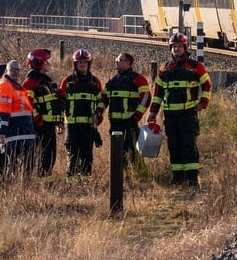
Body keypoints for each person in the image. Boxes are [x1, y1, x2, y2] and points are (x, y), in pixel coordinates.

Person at [147, 33, 211, 187]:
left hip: (188, 113)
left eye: (179, 46)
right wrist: (153, 111)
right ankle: (177, 177)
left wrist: (203, 103)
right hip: (170, 115)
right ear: (170, 48)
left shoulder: (196, 67)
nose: (176, 49)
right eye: (174, 46)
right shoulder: (164, 68)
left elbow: (207, 85)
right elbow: (158, 93)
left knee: (189, 145)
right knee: (174, 146)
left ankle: (192, 179)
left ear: (185, 48)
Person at [57, 48, 105, 178]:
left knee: (87, 157)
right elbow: (60, 103)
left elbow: (101, 102)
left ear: (89, 64)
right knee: (72, 156)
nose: (82, 64)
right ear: (75, 64)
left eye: (85, 62)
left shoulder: (95, 82)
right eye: (80, 62)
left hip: (88, 126)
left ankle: (86, 183)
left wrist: (98, 117)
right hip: (71, 126)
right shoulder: (67, 82)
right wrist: (59, 122)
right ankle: (71, 184)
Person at [104, 52, 151, 167]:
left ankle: (139, 173)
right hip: (115, 124)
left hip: (130, 122)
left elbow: (146, 97)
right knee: (117, 154)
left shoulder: (137, 79)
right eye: (116, 59)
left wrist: (137, 115)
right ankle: (122, 175)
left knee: (134, 152)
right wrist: (99, 111)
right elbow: (103, 97)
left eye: (120, 60)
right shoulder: (113, 80)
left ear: (128, 63)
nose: (116, 61)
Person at [22, 48, 64, 178]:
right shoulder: (30, 82)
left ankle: (46, 182)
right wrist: (38, 119)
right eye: (46, 61)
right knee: (42, 156)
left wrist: (59, 121)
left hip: (49, 125)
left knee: (50, 156)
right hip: (40, 126)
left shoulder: (46, 80)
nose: (48, 64)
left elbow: (53, 104)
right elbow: (27, 104)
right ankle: (40, 182)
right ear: (39, 62)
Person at [0, 60, 36, 177]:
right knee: (13, 165)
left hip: (24, 133)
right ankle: (10, 186)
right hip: (13, 134)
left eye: (17, 70)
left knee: (27, 165)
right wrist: (2, 132)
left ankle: (24, 185)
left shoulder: (17, 87)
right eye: (13, 70)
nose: (16, 72)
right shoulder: (5, 86)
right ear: (6, 71)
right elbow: (3, 111)